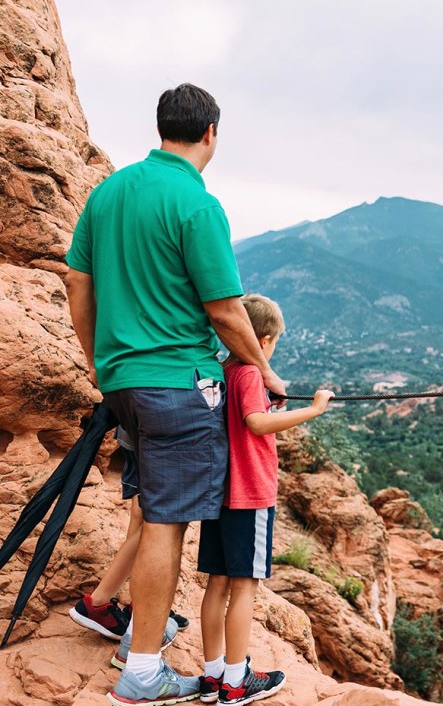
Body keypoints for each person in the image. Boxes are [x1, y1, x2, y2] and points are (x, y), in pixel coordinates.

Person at [65, 83, 286, 706]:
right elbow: (224, 309)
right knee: (166, 523)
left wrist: (97, 363)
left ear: (162, 127)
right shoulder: (196, 202)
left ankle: (134, 643)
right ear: (211, 133)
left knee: (149, 512)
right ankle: (141, 671)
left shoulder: (108, 192)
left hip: (124, 382)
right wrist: (263, 373)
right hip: (178, 385)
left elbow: (79, 281)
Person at [197, 294, 333, 705]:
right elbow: (256, 423)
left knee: (216, 584)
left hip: (219, 494)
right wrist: (315, 409)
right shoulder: (253, 374)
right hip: (249, 493)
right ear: (266, 339)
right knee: (245, 587)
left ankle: (213, 674)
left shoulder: (226, 370)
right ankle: (236, 683)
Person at [69, 427, 189, 652]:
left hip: (135, 428)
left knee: (142, 516)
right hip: (159, 432)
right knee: (161, 523)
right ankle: (98, 602)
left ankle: (138, 609)